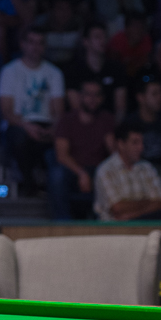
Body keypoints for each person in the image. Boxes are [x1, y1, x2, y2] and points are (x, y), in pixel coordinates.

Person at [0, 27, 65, 196]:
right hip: (19, 124)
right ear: (23, 44)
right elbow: (6, 111)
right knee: (20, 138)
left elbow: (59, 111)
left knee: (62, 139)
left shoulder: (54, 73)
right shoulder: (9, 71)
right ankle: (30, 184)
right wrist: (27, 127)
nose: (35, 47)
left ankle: (51, 188)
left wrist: (53, 130)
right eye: (31, 42)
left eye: (40, 43)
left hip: (46, 124)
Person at [94, 119, 161, 221]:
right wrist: (152, 205)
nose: (141, 147)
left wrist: (130, 213)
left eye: (142, 142)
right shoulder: (106, 170)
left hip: (146, 225)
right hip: (114, 230)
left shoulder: (147, 168)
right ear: (121, 144)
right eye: (135, 143)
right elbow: (118, 209)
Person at [50, 79, 115, 220]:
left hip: (98, 169)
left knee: (111, 172)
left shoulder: (107, 119)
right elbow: (62, 156)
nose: (92, 99)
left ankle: (103, 220)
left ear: (102, 98)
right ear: (80, 96)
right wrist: (81, 173)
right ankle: (63, 222)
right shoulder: (66, 120)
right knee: (57, 174)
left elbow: (113, 152)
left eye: (97, 95)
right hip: (73, 169)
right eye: (88, 94)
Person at [64, 23, 127, 118]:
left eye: (105, 36)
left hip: (110, 123)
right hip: (82, 124)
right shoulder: (73, 71)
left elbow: (120, 108)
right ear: (85, 41)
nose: (103, 40)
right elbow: (75, 109)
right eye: (97, 37)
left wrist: (113, 125)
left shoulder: (117, 69)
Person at [125, 75, 161, 168]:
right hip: (139, 171)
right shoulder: (129, 124)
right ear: (140, 97)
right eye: (154, 94)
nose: (160, 97)